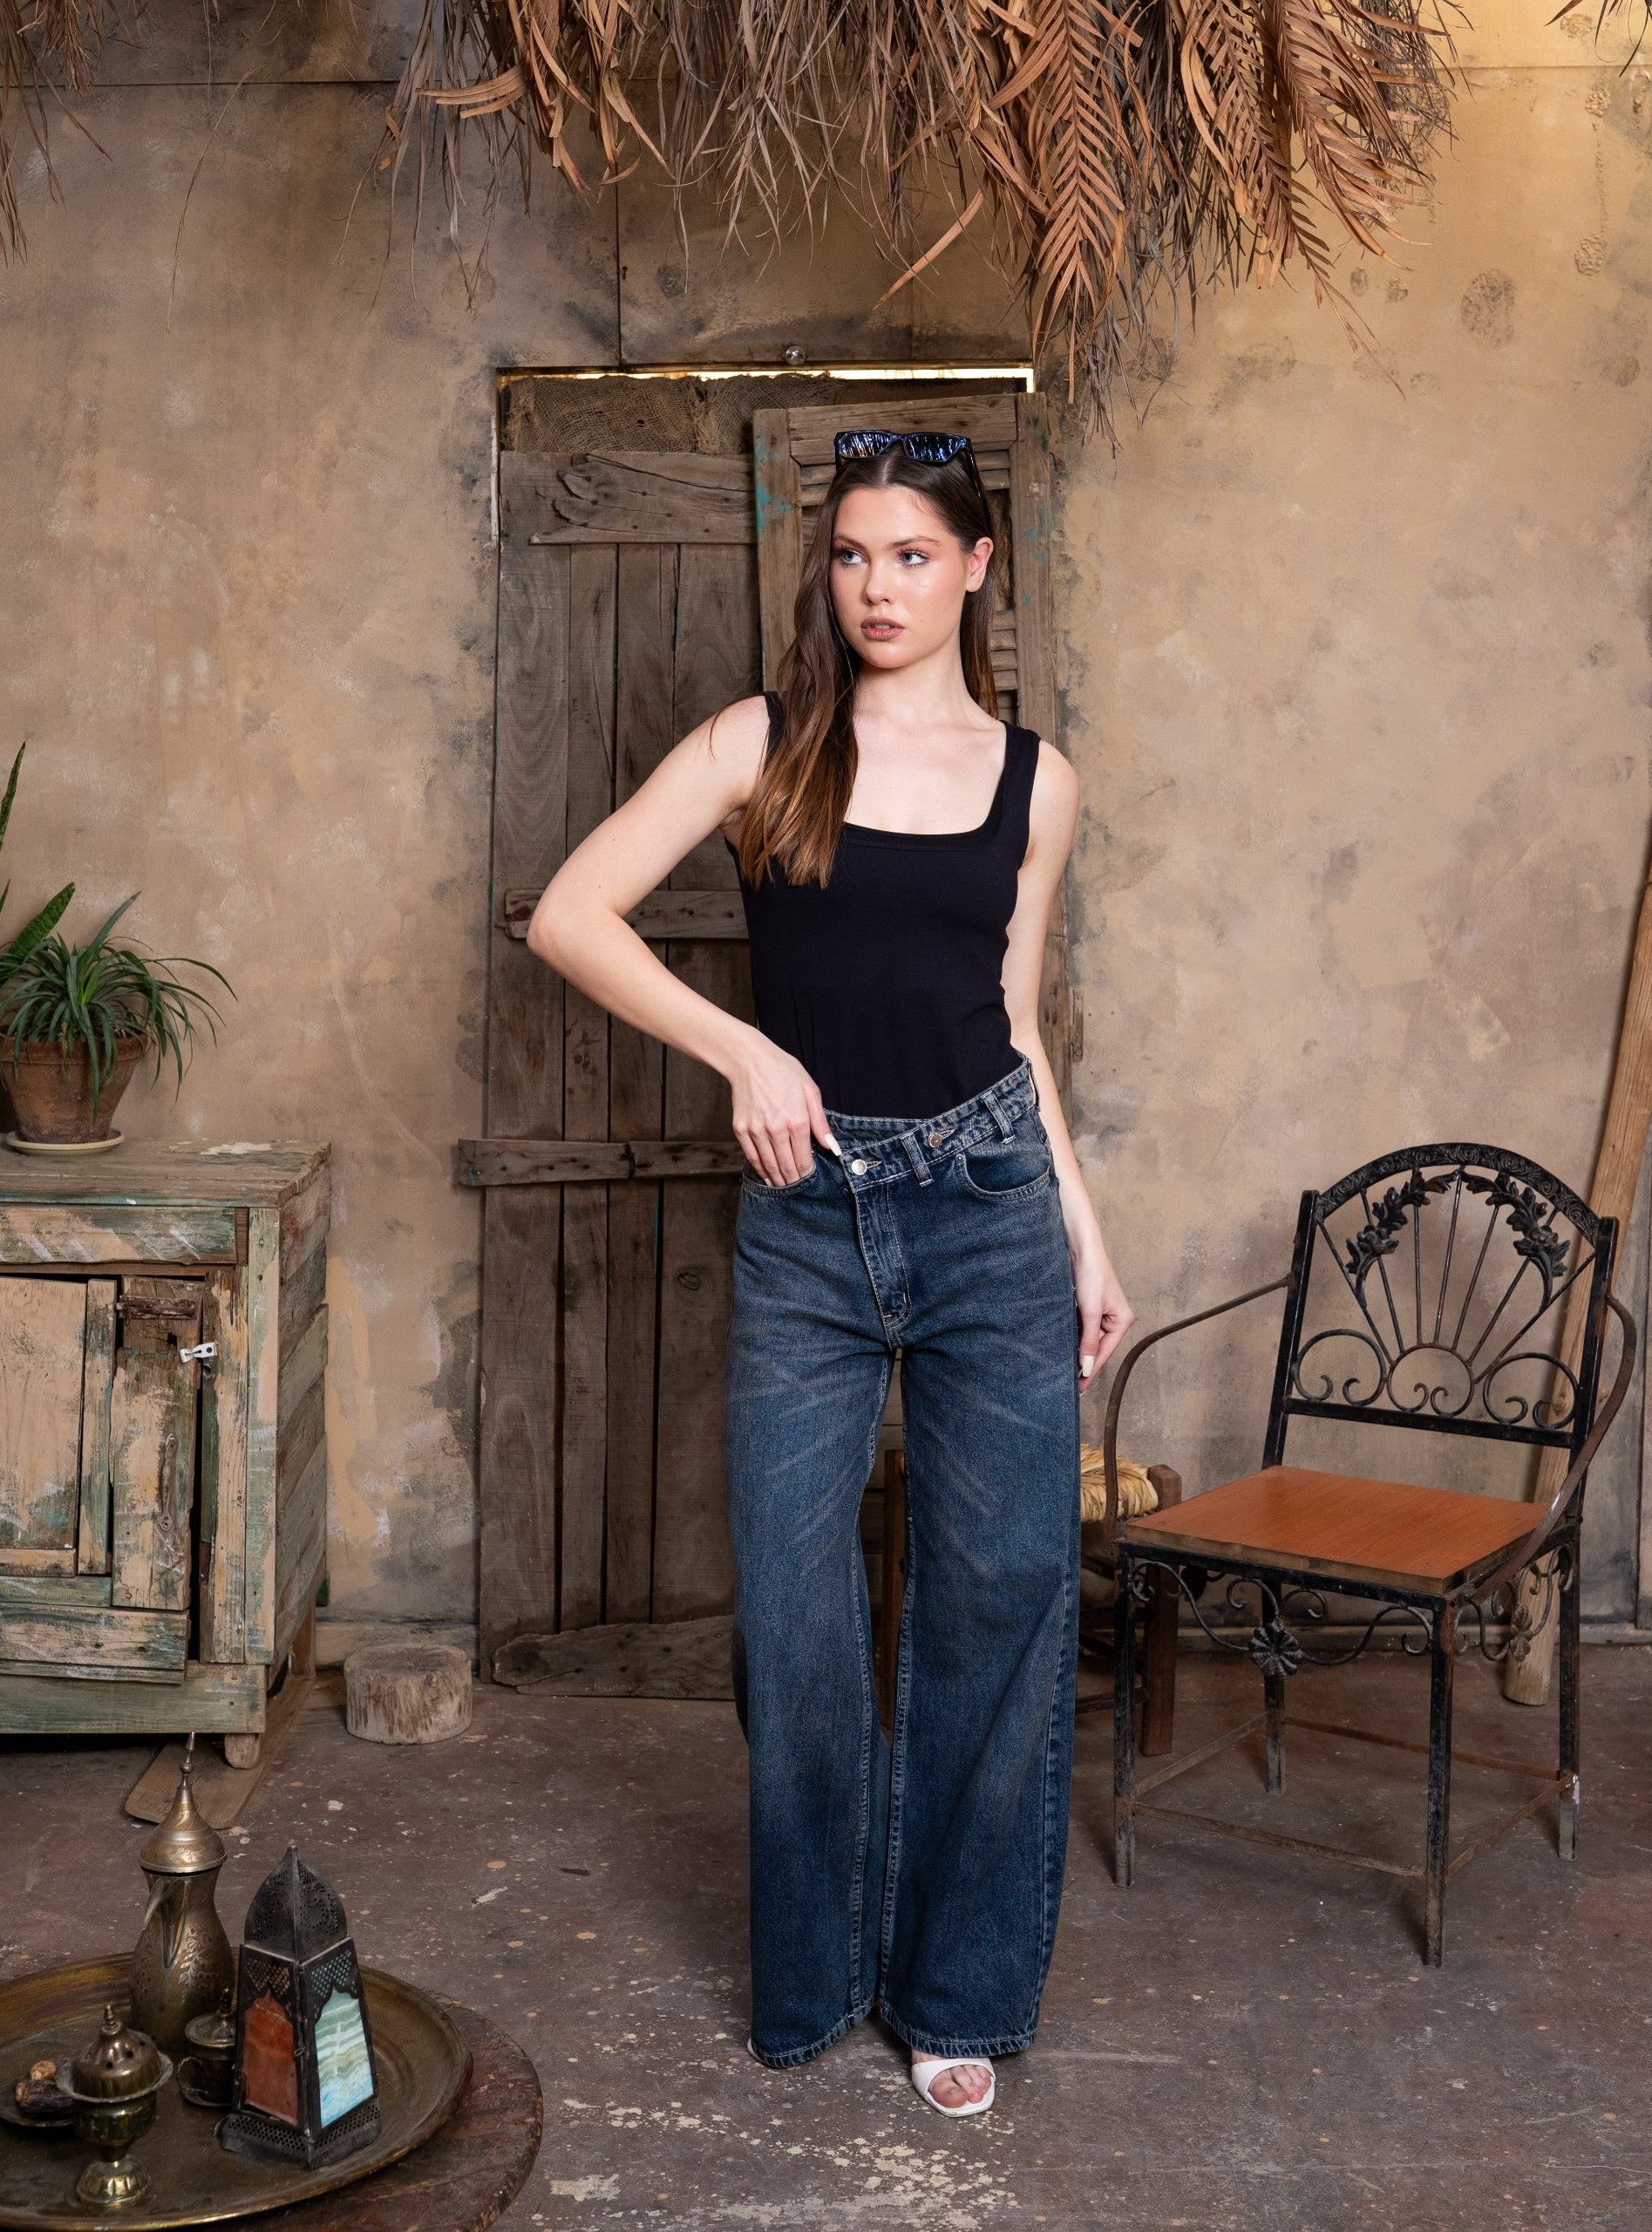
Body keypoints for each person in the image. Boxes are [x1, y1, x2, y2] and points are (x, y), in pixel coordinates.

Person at [527, 425, 1133, 2117]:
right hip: (809, 1216)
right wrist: (742, 1048)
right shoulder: (761, 743)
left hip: (992, 1205)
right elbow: (570, 913)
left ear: (977, 566)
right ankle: (817, 1971)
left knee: (998, 1603)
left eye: (913, 556)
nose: (879, 587)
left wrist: (1082, 1229)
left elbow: (1014, 1024)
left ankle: (956, 1995)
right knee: (796, 1619)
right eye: (854, 554)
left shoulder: (1037, 782)